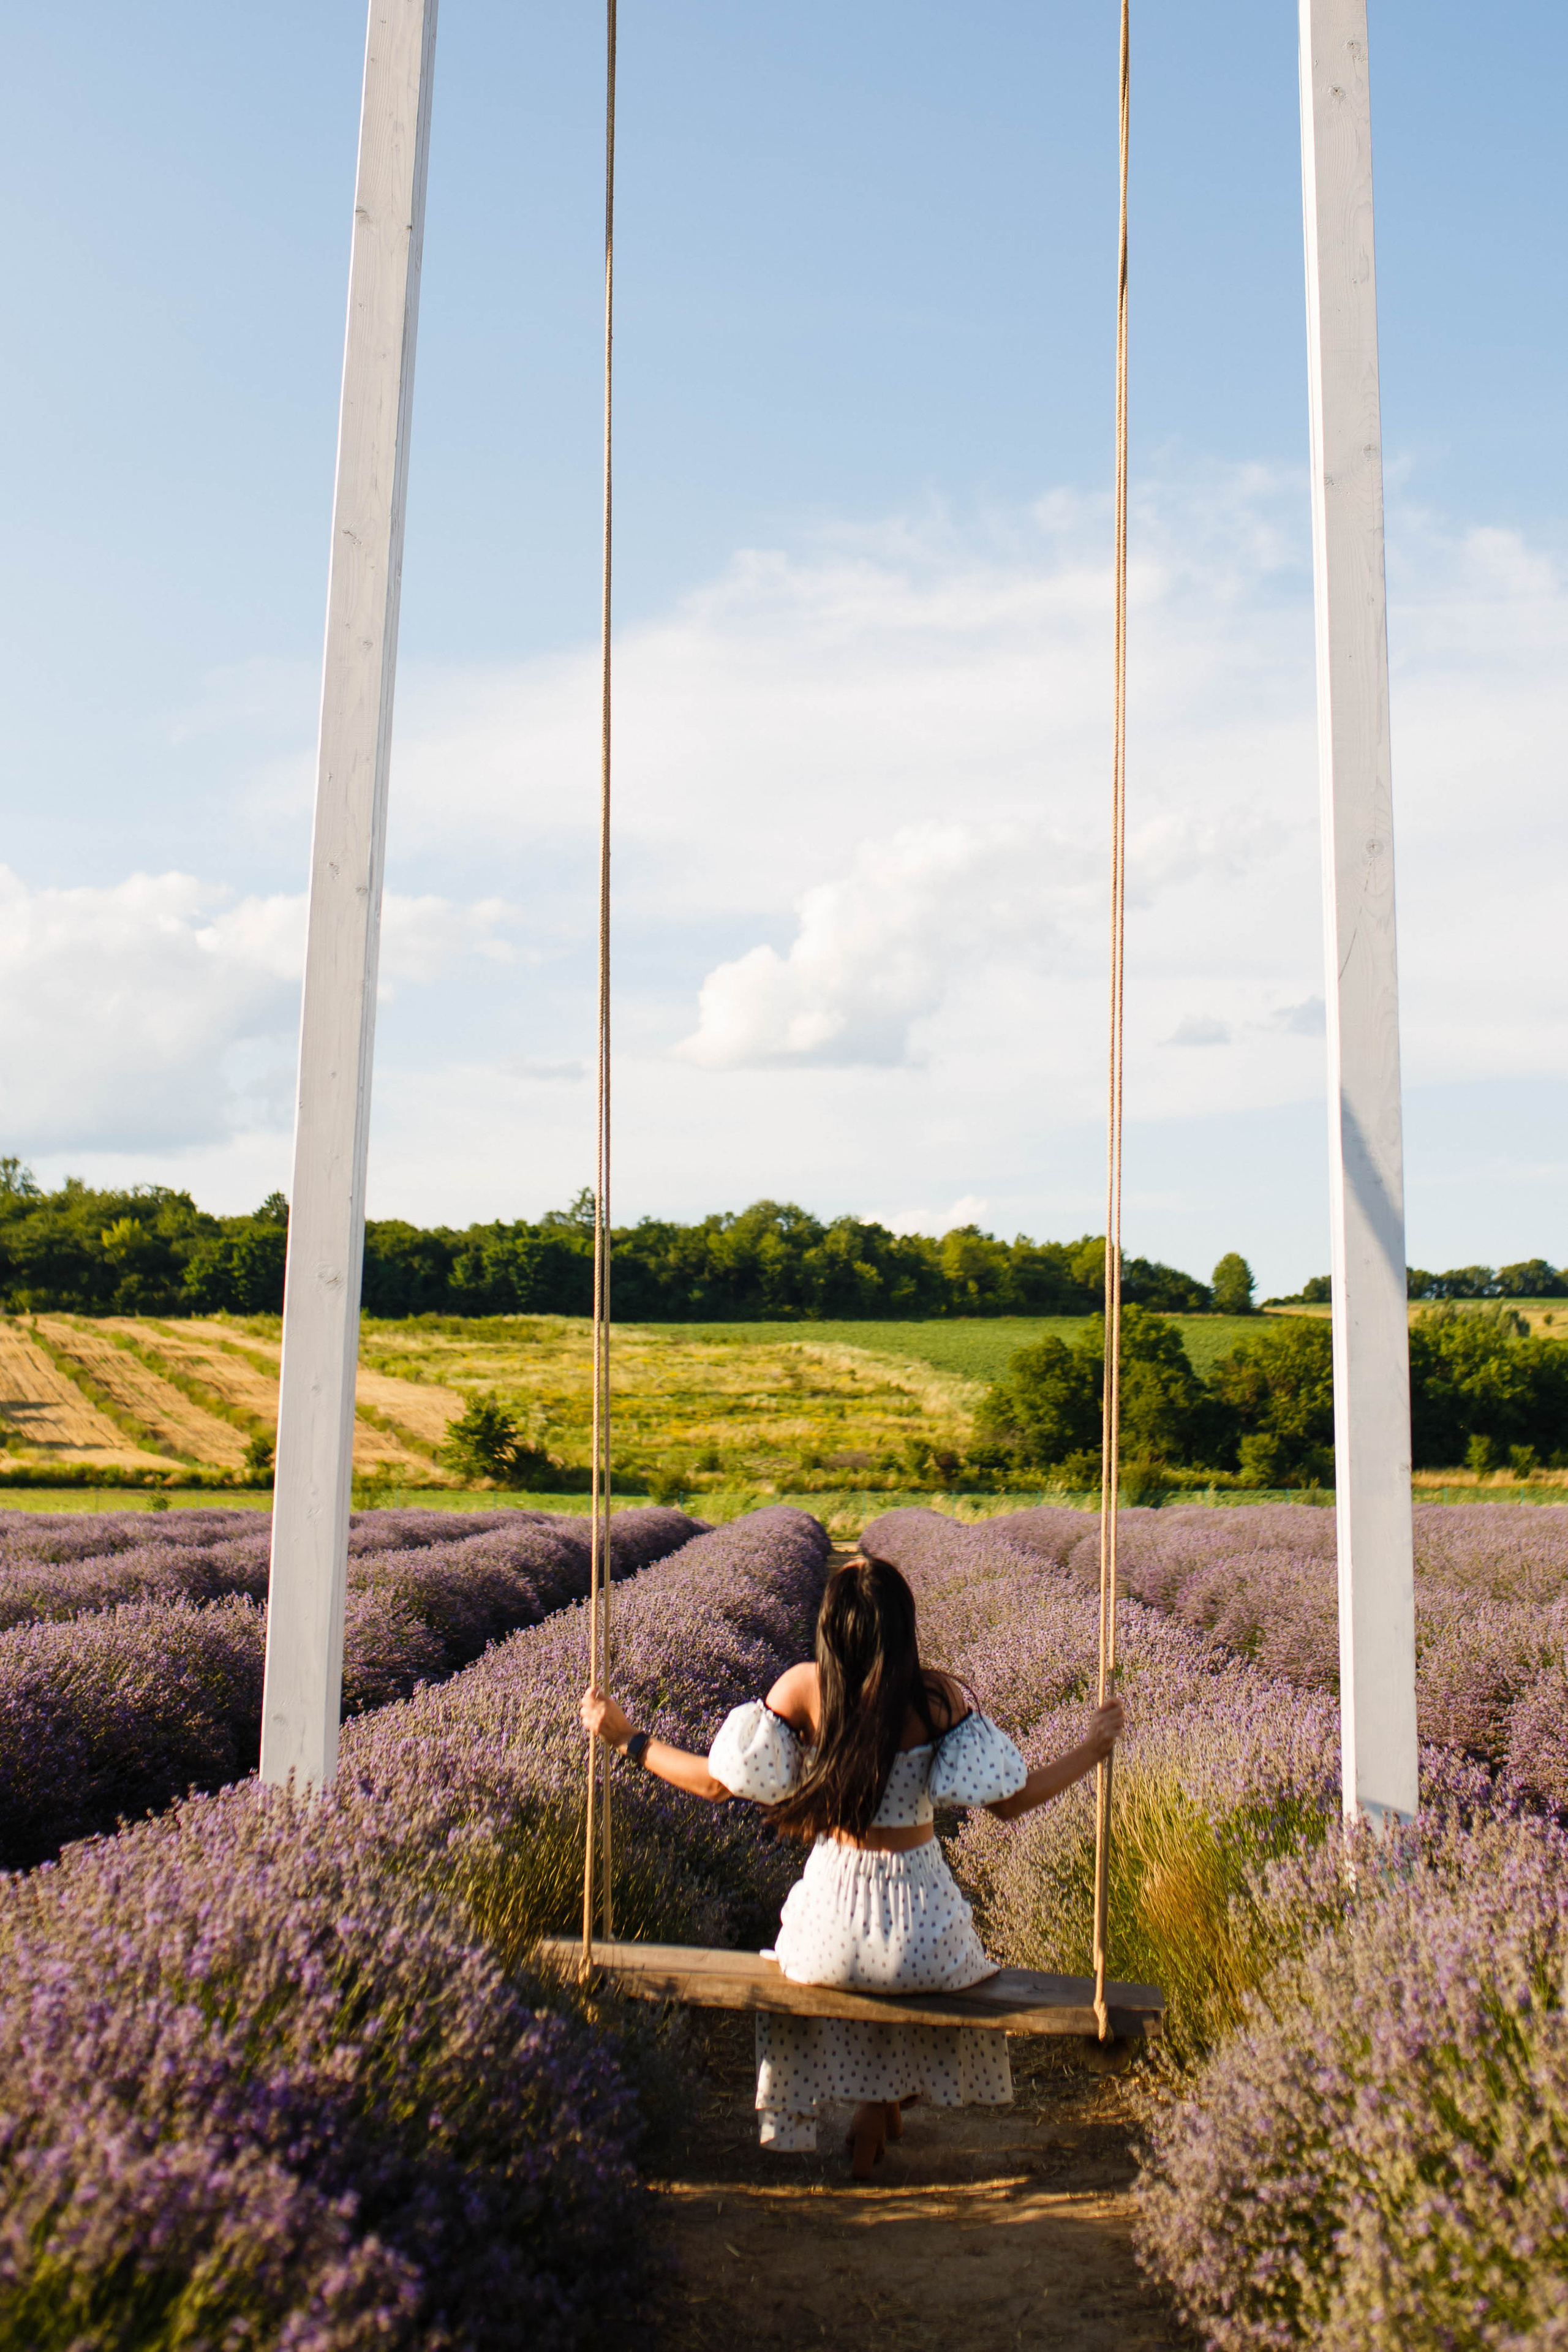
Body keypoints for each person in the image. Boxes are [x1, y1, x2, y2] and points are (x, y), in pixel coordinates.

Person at [580, 1550, 1123, 2177]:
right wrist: (1092, 1749)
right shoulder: (938, 1697)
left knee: (847, 1963)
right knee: (919, 1971)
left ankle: (874, 2102)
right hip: (927, 1935)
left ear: (831, 1626)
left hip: (829, 1934)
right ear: (902, 1625)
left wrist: (626, 1738)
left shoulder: (803, 1689)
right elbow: (1011, 1803)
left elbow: (714, 1787)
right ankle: (884, 2101)